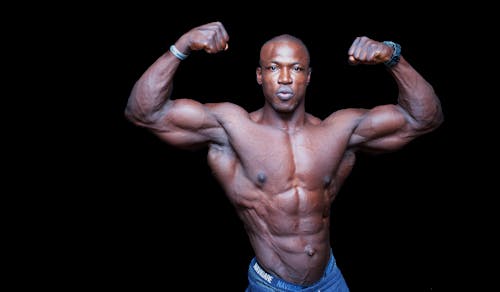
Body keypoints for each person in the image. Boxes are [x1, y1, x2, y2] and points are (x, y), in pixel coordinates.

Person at [125, 21, 443, 291]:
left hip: (329, 281)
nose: (286, 78)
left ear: (309, 76)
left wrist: (393, 58)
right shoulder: (231, 128)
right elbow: (144, 112)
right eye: (274, 68)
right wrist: (182, 46)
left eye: (296, 68)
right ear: (259, 76)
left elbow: (424, 119)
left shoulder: (340, 130)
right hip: (270, 285)